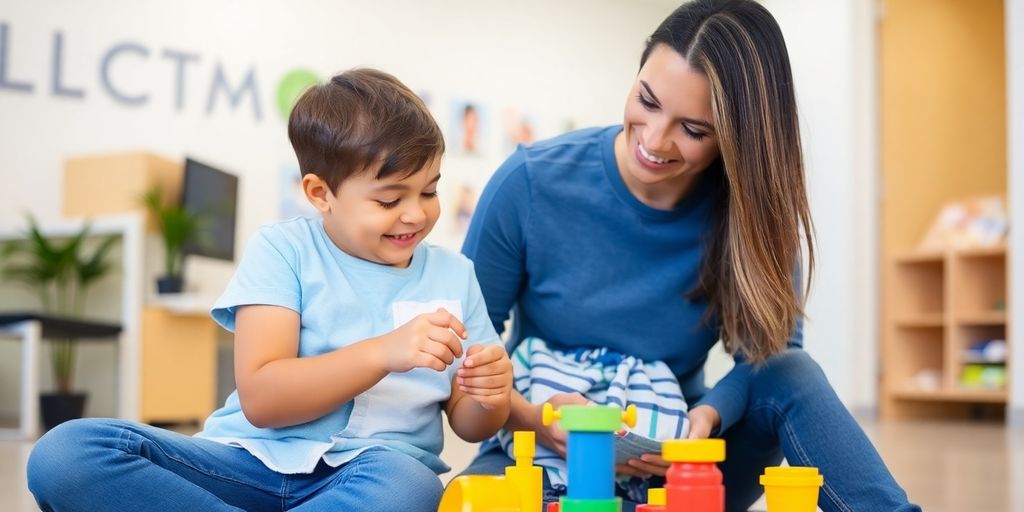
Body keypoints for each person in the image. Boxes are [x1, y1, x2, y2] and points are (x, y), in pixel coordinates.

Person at [458, 1, 921, 511]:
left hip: (681, 459)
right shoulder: (530, 183)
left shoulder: (753, 214)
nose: (654, 140)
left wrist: (708, 418)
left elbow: (770, 357)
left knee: (791, 369)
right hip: (537, 450)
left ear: (735, 139)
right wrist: (536, 421)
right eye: (647, 101)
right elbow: (468, 346)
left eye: (694, 130)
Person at [27, 68, 513, 512]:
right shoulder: (283, 251)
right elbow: (263, 400)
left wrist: (488, 397)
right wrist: (383, 352)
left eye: (429, 191)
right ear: (320, 193)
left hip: (373, 471)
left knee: (411, 487)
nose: (415, 214)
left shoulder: (455, 274)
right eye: (389, 199)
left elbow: (468, 422)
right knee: (65, 453)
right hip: (245, 461)